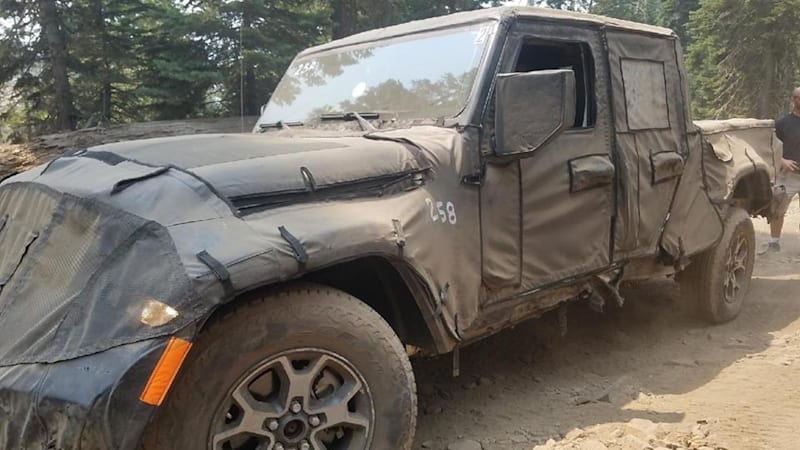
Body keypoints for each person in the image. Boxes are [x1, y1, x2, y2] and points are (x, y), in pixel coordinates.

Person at [768, 87, 800, 252]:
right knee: (778, 207)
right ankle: (774, 242)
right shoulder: (782, 123)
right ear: (793, 100)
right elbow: (770, 146)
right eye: (798, 97)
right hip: (788, 174)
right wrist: (782, 161)